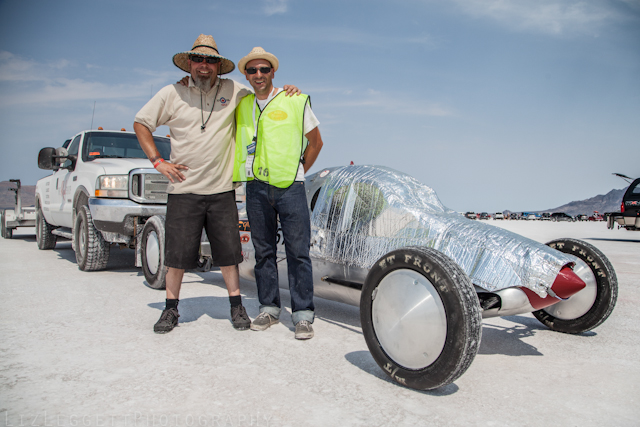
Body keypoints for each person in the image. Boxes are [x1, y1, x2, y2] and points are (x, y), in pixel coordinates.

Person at [134, 35, 299, 334]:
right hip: (183, 189)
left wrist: (288, 91)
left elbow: (264, 94)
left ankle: (236, 306)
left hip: (222, 189)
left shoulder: (234, 90)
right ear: (190, 64)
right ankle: (171, 309)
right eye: (198, 60)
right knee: (176, 256)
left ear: (219, 66)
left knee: (228, 255)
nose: (204, 66)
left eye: (211, 61)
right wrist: (158, 161)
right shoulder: (171, 93)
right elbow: (141, 123)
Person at [232, 47, 324, 340]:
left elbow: (316, 142)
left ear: (273, 72)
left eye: (264, 70)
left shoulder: (295, 99)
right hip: (256, 187)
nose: (258, 75)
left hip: (291, 187)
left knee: (298, 253)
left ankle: (303, 315)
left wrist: (298, 170)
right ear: (245, 74)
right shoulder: (242, 104)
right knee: (264, 252)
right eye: (252, 71)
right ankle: (269, 309)